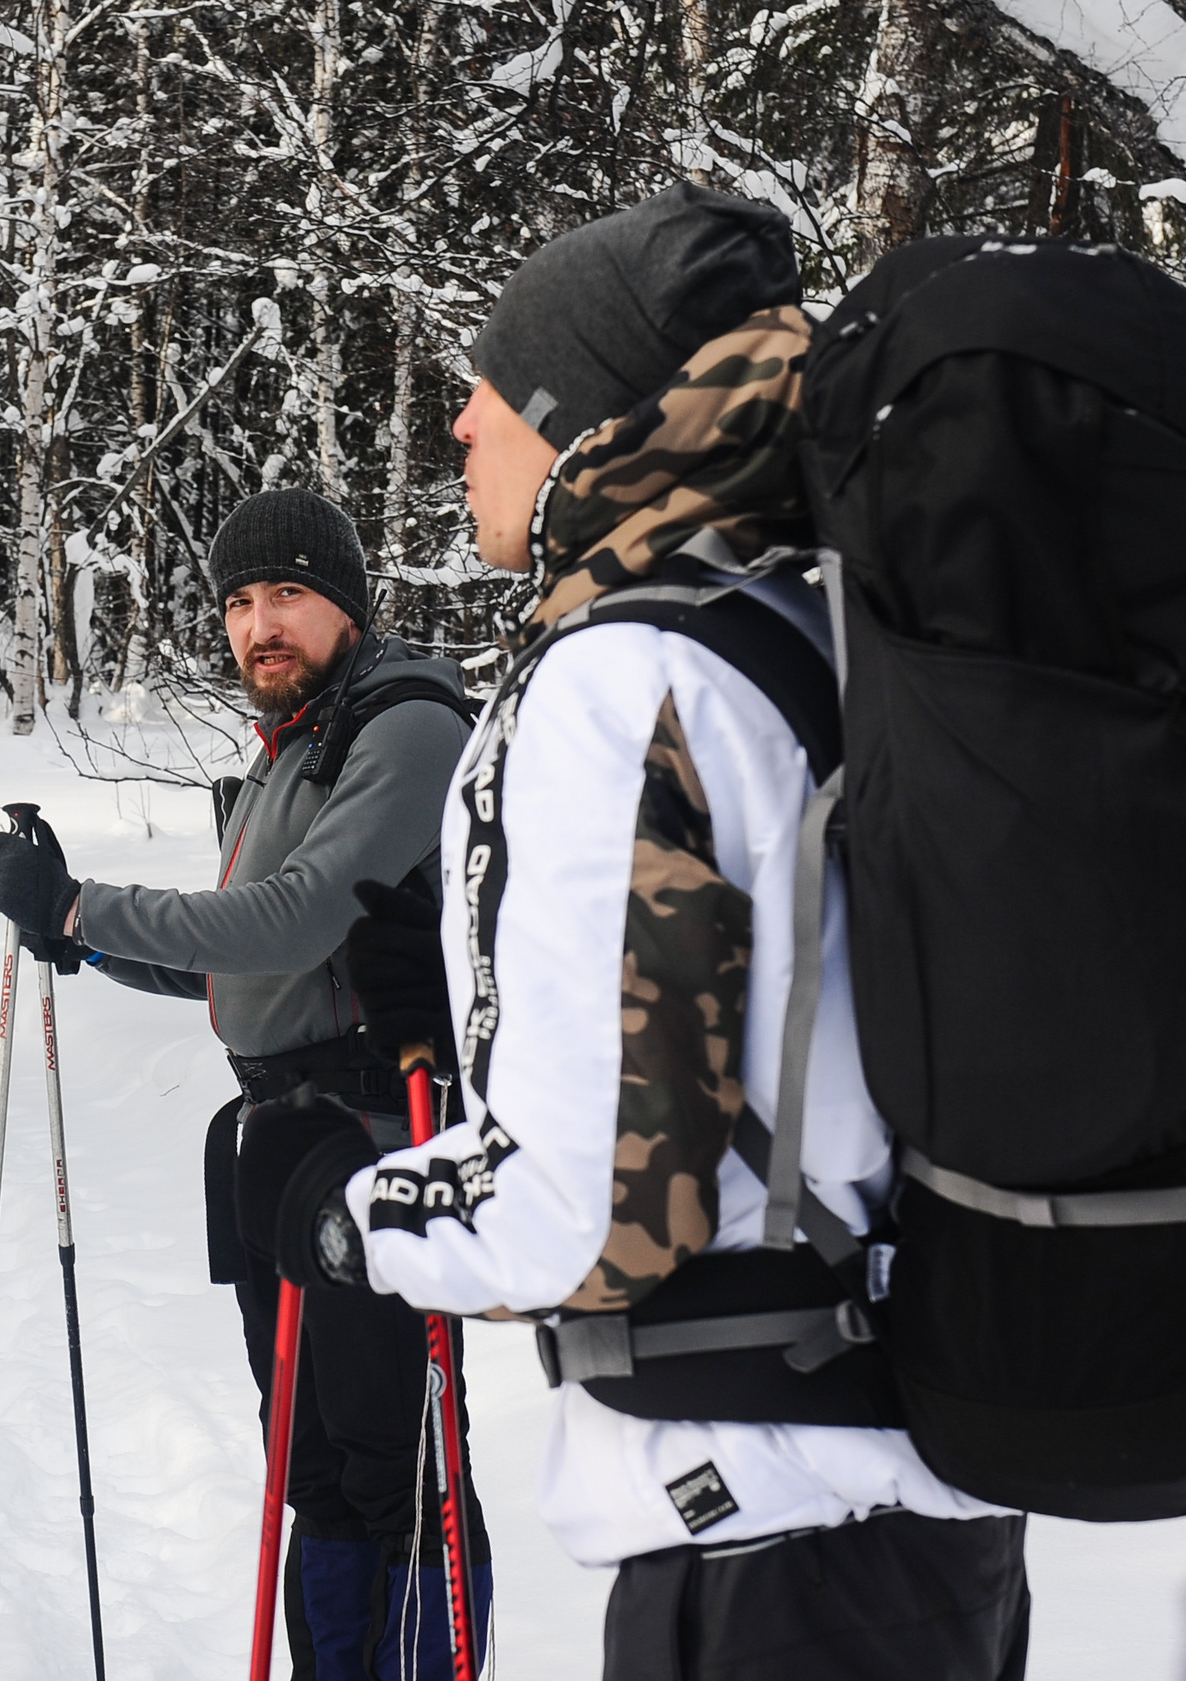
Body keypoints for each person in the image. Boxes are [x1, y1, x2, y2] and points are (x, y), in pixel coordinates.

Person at [240, 185, 1032, 1679]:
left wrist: (357, 1218)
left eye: (489, 387)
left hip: (766, 1537)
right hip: (921, 1506)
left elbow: (592, 1197)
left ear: (577, 413)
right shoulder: (807, 626)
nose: (461, 425)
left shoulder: (626, 678)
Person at [0, 487, 489, 1681]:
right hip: (288, 1145)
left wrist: (82, 902)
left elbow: (294, 916)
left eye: (290, 595)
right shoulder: (295, 745)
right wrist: (81, 942)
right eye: (241, 601)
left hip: (380, 1140)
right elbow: (250, 976)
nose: (261, 623)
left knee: (393, 1469)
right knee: (313, 1472)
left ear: (347, 604)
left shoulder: (403, 725)